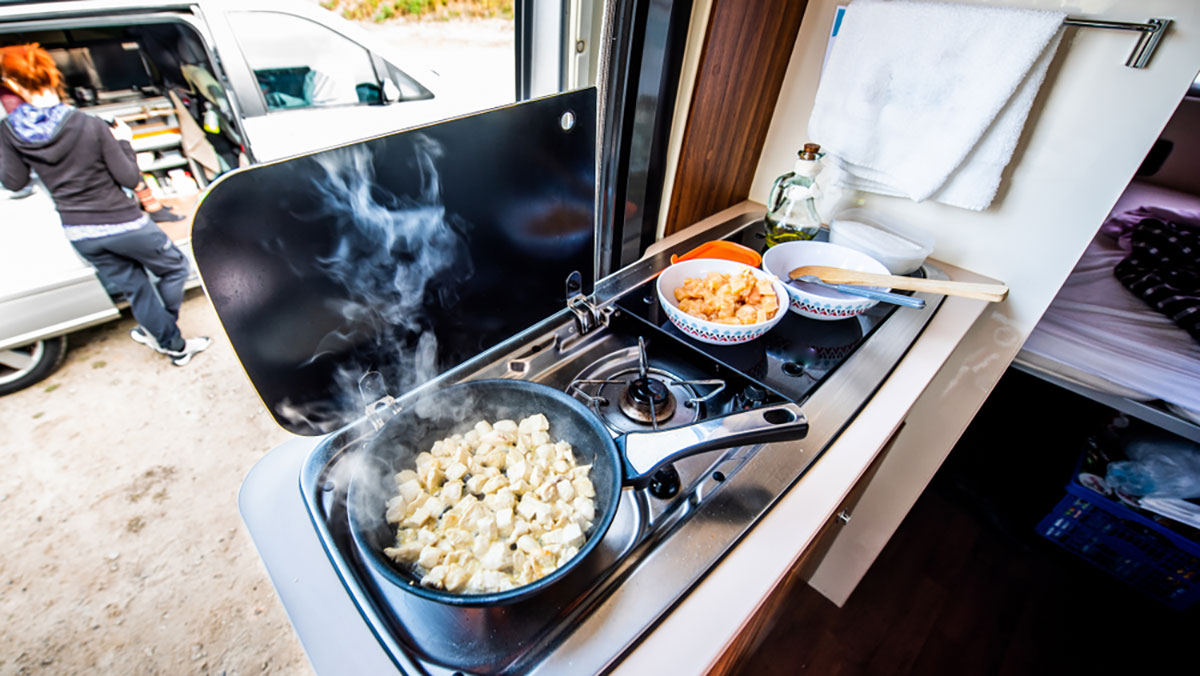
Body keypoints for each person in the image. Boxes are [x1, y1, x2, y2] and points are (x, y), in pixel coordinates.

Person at [0, 43, 210, 366]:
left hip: (81, 232)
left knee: (137, 288)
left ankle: (166, 340)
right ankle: (165, 334)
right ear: (52, 77)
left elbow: (15, 182)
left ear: (13, 84)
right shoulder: (89, 124)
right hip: (125, 224)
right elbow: (129, 178)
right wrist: (123, 141)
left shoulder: (9, 130)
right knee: (175, 268)